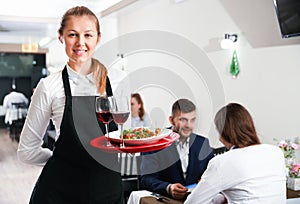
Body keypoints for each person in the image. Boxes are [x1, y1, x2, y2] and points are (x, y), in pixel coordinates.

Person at [17, 6, 123, 204]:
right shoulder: (49, 87)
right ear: (61, 37)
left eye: (88, 35)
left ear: (98, 38)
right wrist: (63, 162)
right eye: (73, 35)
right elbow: (27, 151)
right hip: (61, 194)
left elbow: (123, 138)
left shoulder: (116, 82)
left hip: (108, 192)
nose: (80, 43)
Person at [184, 103, 286, 204]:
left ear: (222, 133)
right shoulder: (276, 152)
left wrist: (215, 197)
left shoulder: (222, 162)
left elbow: (192, 202)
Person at [140, 98, 214, 200]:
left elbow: (212, 173)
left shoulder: (203, 143)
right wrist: (168, 188)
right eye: (183, 120)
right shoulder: (154, 142)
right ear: (171, 120)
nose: (188, 125)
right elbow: (146, 179)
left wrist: (206, 181)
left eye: (192, 120)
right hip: (166, 200)